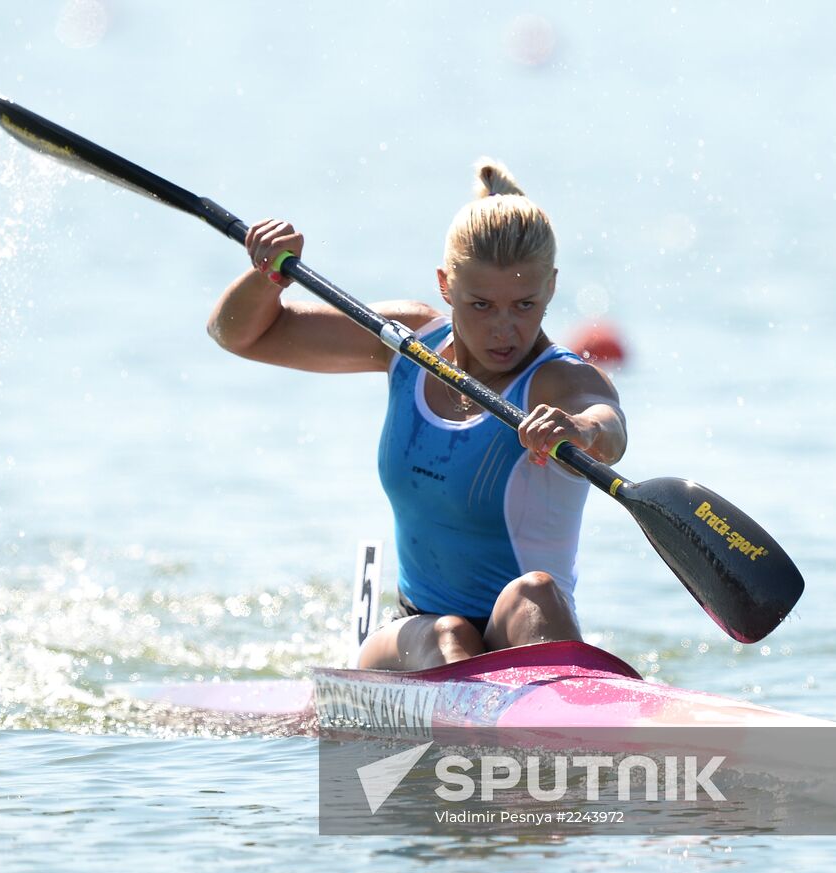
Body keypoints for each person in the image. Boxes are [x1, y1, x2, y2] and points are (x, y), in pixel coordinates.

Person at [206, 160, 626, 671]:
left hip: (524, 631)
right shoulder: (405, 342)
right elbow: (237, 334)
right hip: (413, 637)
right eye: (480, 305)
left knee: (535, 593)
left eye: (524, 304)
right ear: (446, 285)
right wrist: (265, 276)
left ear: (552, 288)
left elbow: (609, 428)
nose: (503, 329)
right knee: (450, 635)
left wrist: (580, 429)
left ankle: (564, 714)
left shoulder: (563, 381)